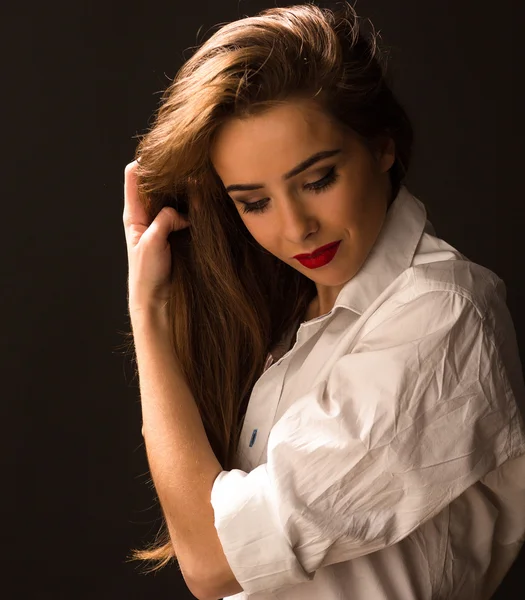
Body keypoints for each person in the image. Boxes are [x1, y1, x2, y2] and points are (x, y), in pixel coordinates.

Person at [122, 2, 525, 599]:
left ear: (382, 148)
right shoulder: (289, 326)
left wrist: (147, 314)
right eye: (254, 202)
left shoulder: (441, 313)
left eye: (317, 181)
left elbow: (211, 559)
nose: (296, 228)